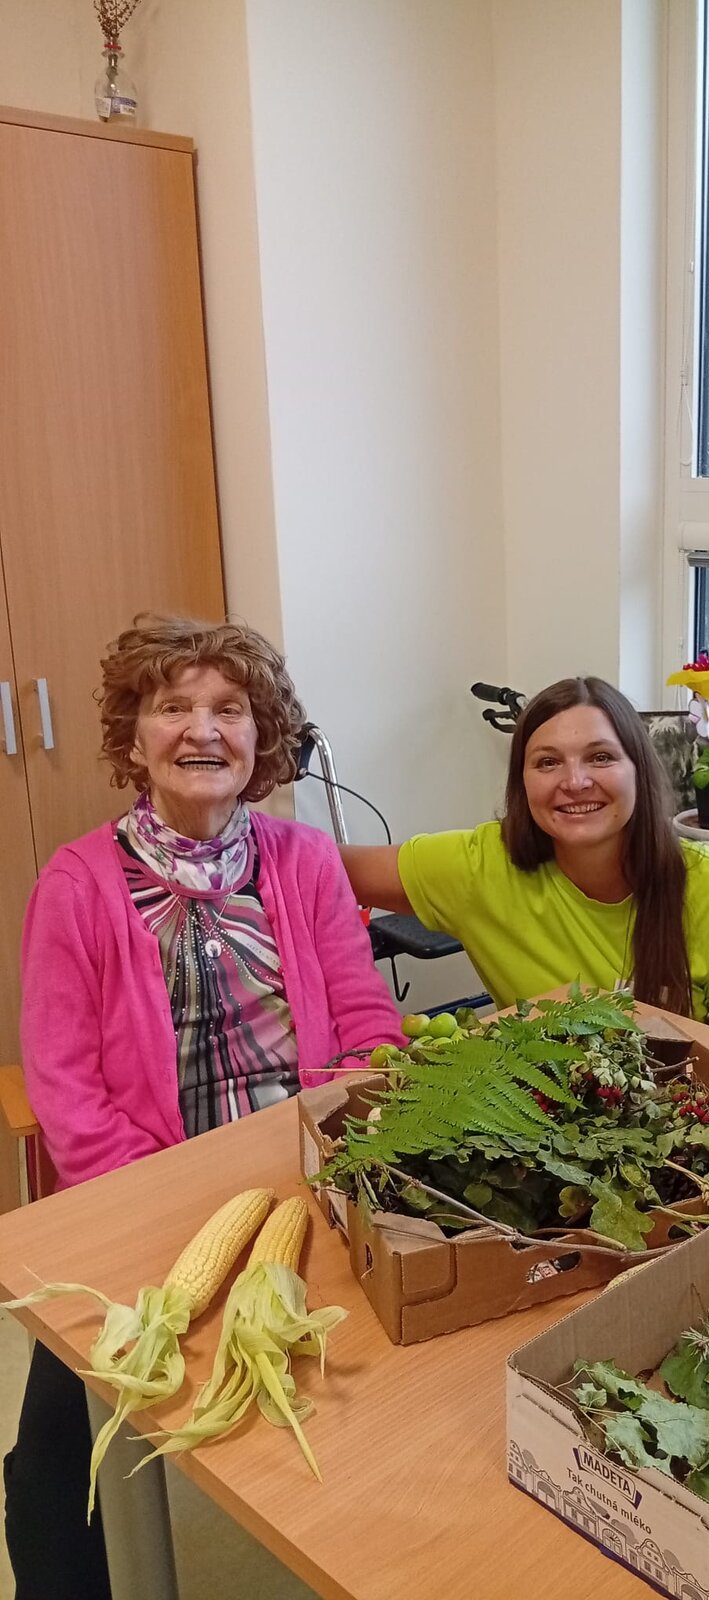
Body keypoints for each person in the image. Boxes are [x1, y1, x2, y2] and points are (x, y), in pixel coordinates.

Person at [6, 615, 401, 1600]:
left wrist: (334, 1154)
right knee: (54, 1459)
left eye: (229, 708)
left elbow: (367, 1025)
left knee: (377, 1388)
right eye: (173, 706)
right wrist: (159, 1202)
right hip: (141, 1194)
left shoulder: (305, 860)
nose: (202, 729)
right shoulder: (77, 883)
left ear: (261, 737)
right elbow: (64, 1085)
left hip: (302, 1181)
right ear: (133, 736)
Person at [342, 676, 709, 1043]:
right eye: (547, 762)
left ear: (639, 770)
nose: (574, 781)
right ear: (522, 783)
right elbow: (321, 866)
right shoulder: (480, 865)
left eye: (601, 757)